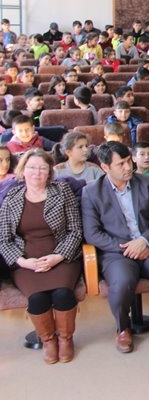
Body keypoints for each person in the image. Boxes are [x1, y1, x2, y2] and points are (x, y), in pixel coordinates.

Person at [81, 142, 149, 353]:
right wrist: (128, 247)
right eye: (121, 164)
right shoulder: (92, 192)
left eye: (128, 161)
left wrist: (143, 241)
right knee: (122, 281)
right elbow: (92, 233)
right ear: (106, 167)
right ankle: (122, 327)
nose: (128, 167)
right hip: (118, 252)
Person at [0, 149, 83, 364]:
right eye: (31, 168)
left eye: (42, 168)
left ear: (49, 172)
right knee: (37, 298)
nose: (36, 173)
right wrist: (22, 261)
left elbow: (75, 230)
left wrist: (58, 256)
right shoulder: (12, 197)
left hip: (62, 256)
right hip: (27, 261)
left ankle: (65, 339)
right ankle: (48, 340)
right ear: (22, 170)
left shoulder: (62, 191)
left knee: (63, 294)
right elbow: (4, 239)